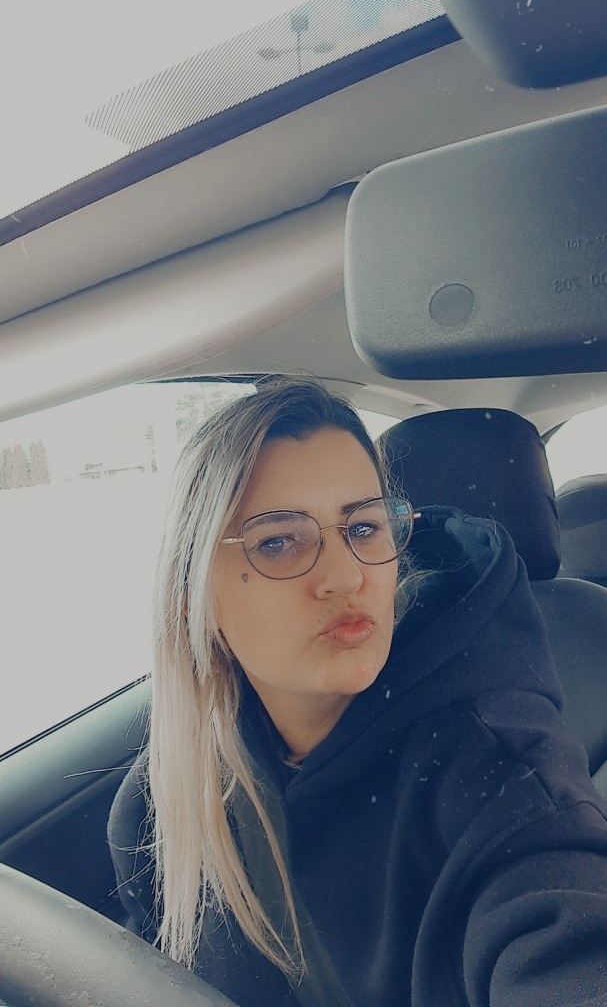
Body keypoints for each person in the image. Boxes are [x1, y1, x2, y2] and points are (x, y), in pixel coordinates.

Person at [108, 376, 607, 1007]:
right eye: (279, 541)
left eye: (364, 527)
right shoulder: (163, 802)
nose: (345, 577)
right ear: (192, 597)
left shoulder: (500, 780)